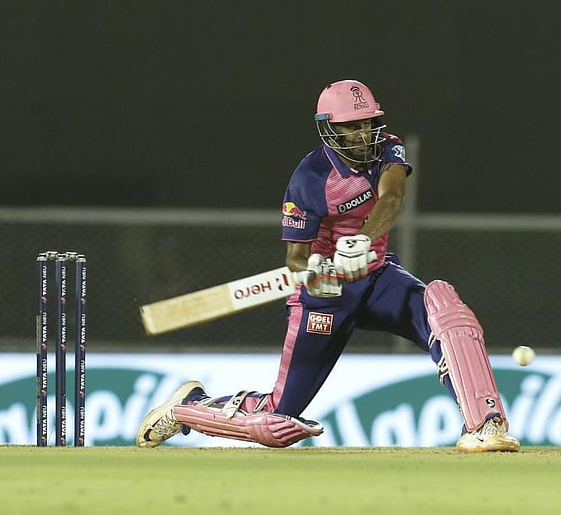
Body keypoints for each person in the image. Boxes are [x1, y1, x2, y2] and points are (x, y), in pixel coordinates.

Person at [136, 80, 519, 453]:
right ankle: (189, 408)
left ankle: (485, 426)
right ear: (329, 130)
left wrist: (362, 242)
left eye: (368, 123)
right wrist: (315, 274)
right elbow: (295, 259)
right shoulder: (310, 179)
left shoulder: (389, 149)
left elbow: (392, 198)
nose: (363, 133)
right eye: (352, 126)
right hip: (325, 297)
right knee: (277, 420)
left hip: (376, 277)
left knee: (444, 309)